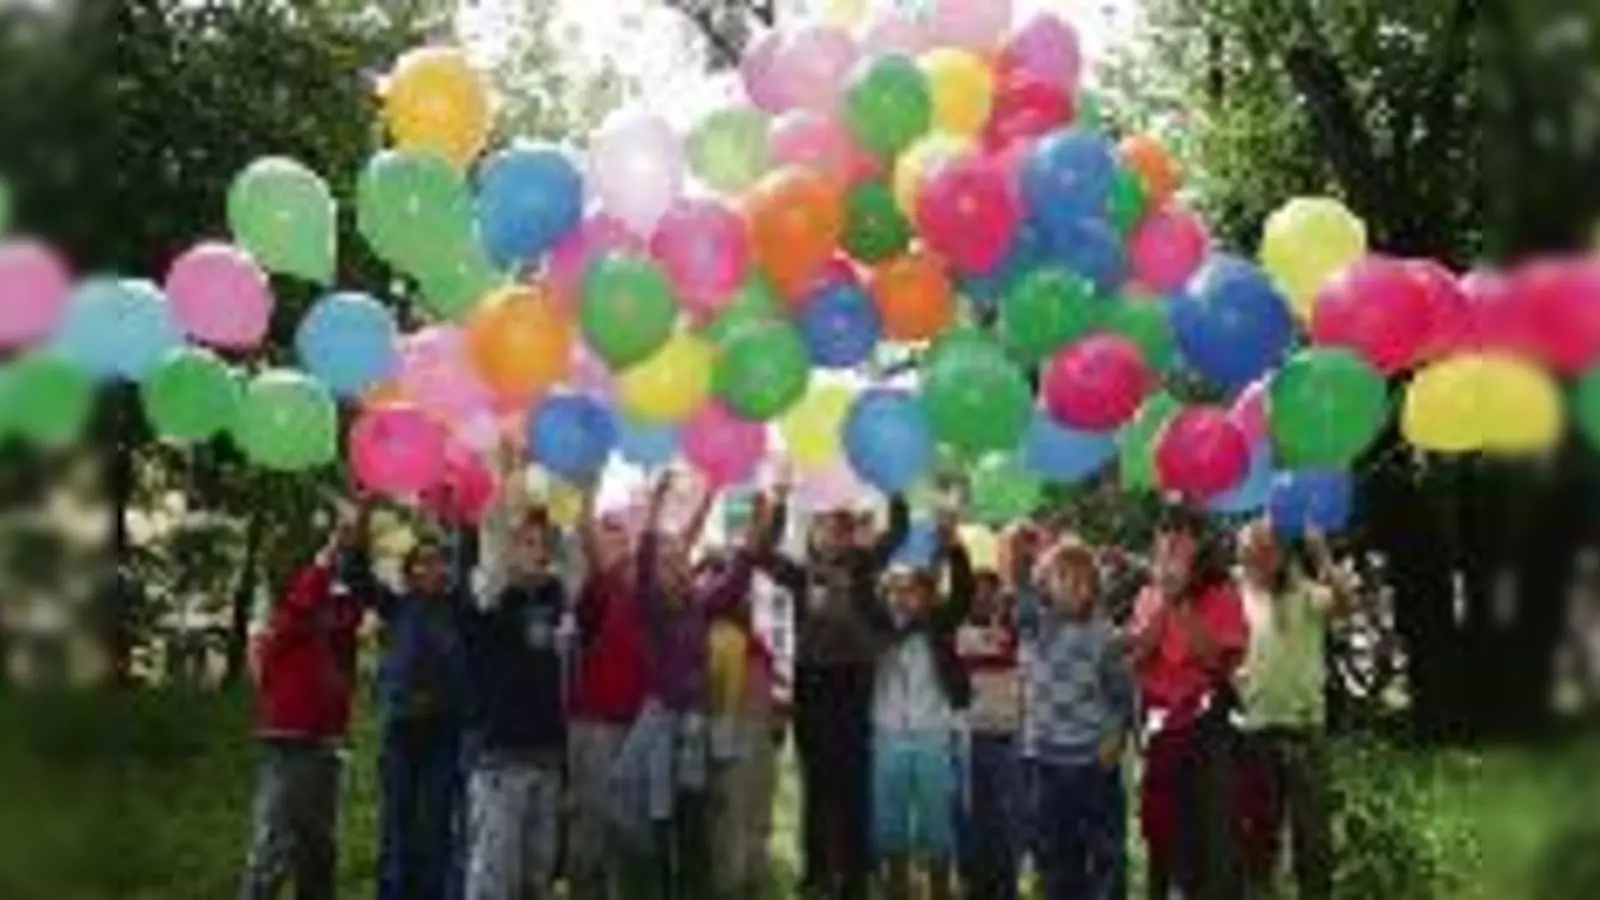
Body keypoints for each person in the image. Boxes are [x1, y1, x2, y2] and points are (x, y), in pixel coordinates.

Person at [756, 491, 910, 900]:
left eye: (843, 527)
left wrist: (894, 487)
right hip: (813, 681)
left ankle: (856, 875)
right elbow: (760, 553)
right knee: (818, 780)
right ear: (813, 533)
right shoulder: (799, 573)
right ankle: (817, 872)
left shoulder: (864, 565)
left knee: (854, 780)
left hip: (855, 678)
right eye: (827, 525)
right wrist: (782, 501)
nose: (836, 533)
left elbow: (897, 533)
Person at [339, 503, 475, 900]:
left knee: (435, 826)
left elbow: (472, 557)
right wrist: (363, 514)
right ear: (410, 570)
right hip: (401, 729)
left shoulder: (458, 609)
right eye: (423, 562)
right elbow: (356, 573)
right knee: (396, 824)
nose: (433, 569)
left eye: (439, 563)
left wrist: (463, 509)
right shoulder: (397, 607)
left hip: (445, 733)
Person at [238, 501, 372, 900]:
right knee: (274, 845)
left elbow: (352, 601)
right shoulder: (283, 621)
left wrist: (355, 533)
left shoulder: (330, 617)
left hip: (326, 744)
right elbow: (305, 599)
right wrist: (331, 548)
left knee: (320, 849)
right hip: (289, 742)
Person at [623, 469, 741, 898]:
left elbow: (735, 579)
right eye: (667, 564)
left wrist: (712, 493)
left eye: (681, 563)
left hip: (692, 721)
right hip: (659, 717)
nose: (675, 568)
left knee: (691, 803)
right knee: (656, 806)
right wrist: (655, 508)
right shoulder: (651, 606)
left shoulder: (699, 606)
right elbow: (646, 557)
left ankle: (692, 884)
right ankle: (657, 884)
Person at [460, 444, 570, 900]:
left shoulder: (554, 596)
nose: (535, 550)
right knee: (494, 879)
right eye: (524, 541)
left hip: (546, 756)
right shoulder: (489, 597)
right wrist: (506, 474)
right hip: (499, 760)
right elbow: (491, 534)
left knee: (536, 876)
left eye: (540, 544)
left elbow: (570, 545)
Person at [1129, 506, 1250, 900]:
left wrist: (1183, 604)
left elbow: (1213, 659)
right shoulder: (1148, 596)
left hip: (1207, 724)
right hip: (1160, 723)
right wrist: (1166, 600)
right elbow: (1139, 658)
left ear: (1199, 552)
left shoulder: (1222, 595)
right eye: (1164, 544)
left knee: (1211, 827)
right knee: (1162, 825)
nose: (1171, 551)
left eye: (1181, 543)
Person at [1233, 520, 1354, 899]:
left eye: (1270, 548)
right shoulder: (1235, 592)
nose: (1262, 556)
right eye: (1253, 549)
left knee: (1313, 840)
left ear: (1284, 553)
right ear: (1243, 555)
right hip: (1255, 731)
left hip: (1304, 732)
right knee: (1257, 840)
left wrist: (1321, 553)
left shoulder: (1305, 594)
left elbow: (1347, 605)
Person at [1014, 532, 1136, 900]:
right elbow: (1021, 597)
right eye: (1062, 576)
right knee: (1053, 851)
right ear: (1045, 585)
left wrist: (1116, 736)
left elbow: (1121, 695)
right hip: (1045, 761)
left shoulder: (1105, 636)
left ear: (1095, 587)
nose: (1072, 585)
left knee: (1105, 852)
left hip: (1093, 761)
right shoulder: (1036, 628)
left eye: (1082, 579)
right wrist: (1023, 560)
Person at [863, 506, 973, 900]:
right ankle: (897, 888)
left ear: (929, 596)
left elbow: (963, 595)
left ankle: (941, 888)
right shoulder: (876, 629)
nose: (903, 598)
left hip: (932, 736)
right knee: (890, 826)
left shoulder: (939, 626)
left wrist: (954, 548)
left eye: (912, 590)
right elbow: (863, 580)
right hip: (889, 737)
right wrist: (894, 520)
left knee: (936, 825)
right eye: (895, 590)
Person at [565, 486, 652, 900]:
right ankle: (585, 890)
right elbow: (588, 544)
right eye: (606, 531)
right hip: (595, 722)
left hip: (636, 723)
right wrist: (587, 496)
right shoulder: (597, 590)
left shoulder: (643, 589)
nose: (614, 538)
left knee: (628, 818)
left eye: (620, 531)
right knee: (592, 816)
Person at [707, 485, 791, 900]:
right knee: (732, 807)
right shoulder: (710, 605)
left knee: (759, 805)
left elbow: (779, 660)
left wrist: (779, 708)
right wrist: (758, 525)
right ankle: (729, 883)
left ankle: (755, 881)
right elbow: (736, 575)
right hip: (729, 721)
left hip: (760, 721)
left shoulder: (759, 620)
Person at [953, 562, 1023, 900]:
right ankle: (975, 883)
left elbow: (1012, 649)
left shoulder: (1014, 631)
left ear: (998, 596)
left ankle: (1004, 886)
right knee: (972, 816)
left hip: (1008, 737)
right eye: (975, 592)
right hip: (969, 736)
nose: (982, 598)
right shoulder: (957, 633)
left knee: (1007, 819)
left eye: (989, 592)